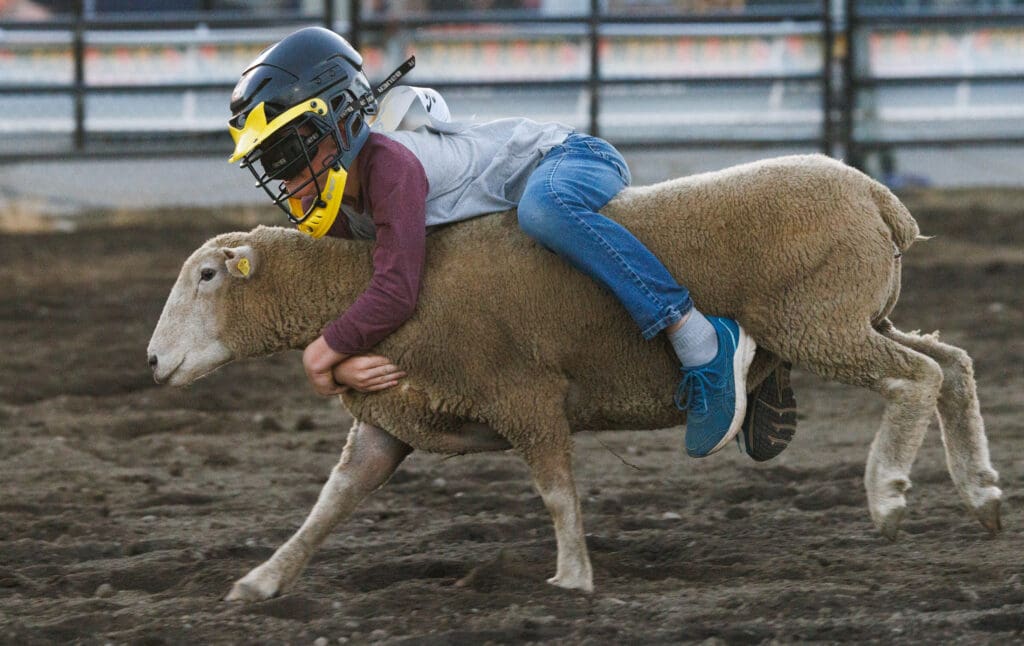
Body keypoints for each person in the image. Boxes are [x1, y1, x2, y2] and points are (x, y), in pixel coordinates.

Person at [227, 27, 784, 459]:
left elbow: (396, 290)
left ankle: (702, 341)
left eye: (284, 153)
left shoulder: (390, 168)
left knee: (541, 212)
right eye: (271, 161)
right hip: (540, 178)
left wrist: (324, 351)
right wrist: (345, 365)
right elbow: (377, 295)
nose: (281, 176)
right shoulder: (348, 197)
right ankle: (764, 369)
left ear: (338, 121)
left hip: (571, 158)